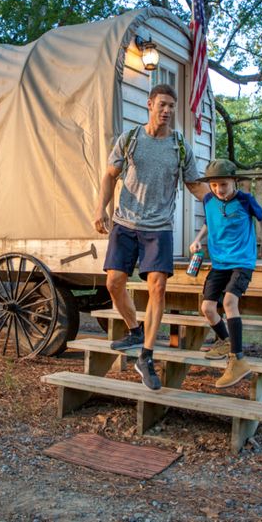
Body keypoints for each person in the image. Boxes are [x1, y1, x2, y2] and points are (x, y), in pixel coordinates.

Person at [93, 83, 208, 390]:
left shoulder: (180, 146)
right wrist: (100, 208)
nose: (168, 110)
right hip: (125, 223)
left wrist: (216, 201)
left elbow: (195, 183)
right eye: (163, 105)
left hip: (159, 227)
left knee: (157, 288)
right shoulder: (130, 139)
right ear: (150, 105)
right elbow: (109, 175)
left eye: (172, 105)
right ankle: (134, 329)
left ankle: (146, 355)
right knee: (114, 282)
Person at [188, 158, 262, 388]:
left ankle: (238, 359)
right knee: (207, 307)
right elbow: (209, 222)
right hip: (219, 262)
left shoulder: (245, 200)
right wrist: (197, 239)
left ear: (234, 181)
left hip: (242, 261)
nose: (218, 189)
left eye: (223, 184)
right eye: (214, 185)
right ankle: (224, 340)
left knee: (230, 302)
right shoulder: (209, 200)